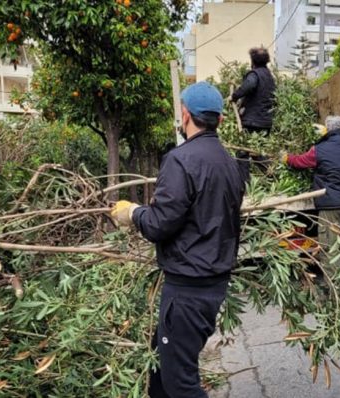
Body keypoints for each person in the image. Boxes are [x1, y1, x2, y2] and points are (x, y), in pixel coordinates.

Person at [110, 82, 247, 398]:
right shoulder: (231, 164)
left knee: (180, 384)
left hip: (187, 289)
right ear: (220, 120)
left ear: (185, 115)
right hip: (211, 283)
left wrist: (133, 213)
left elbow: (161, 223)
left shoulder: (181, 159)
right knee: (160, 365)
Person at [282, 116, 340, 274]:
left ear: (328, 129)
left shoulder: (319, 149)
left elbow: (301, 162)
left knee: (330, 247)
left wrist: (287, 158)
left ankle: (334, 287)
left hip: (330, 204)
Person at [231, 47, 276, 134]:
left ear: (253, 61)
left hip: (253, 122)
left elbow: (249, 85)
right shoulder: (269, 76)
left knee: (247, 141)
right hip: (266, 122)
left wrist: (234, 96)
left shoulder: (254, 74)